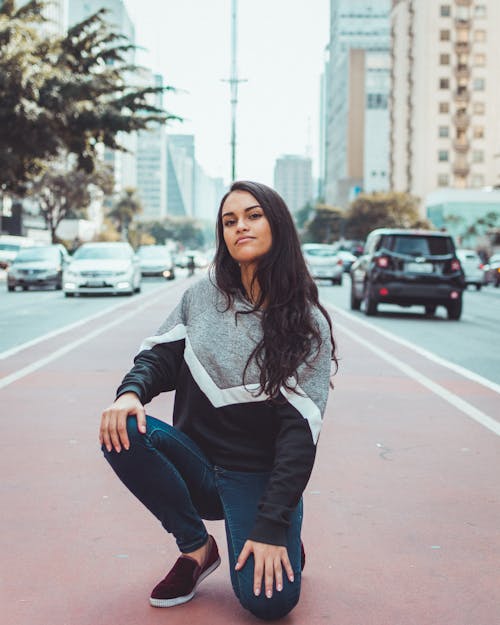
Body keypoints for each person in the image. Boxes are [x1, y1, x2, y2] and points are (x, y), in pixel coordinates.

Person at [99, 180, 337, 620]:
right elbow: (160, 357)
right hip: (199, 464)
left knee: (270, 605)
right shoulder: (200, 297)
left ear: (278, 226)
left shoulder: (308, 325)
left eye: (252, 216)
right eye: (229, 221)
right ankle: (196, 549)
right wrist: (130, 393)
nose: (239, 227)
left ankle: (280, 524)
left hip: (257, 476)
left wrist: (271, 524)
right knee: (124, 428)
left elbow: (299, 435)